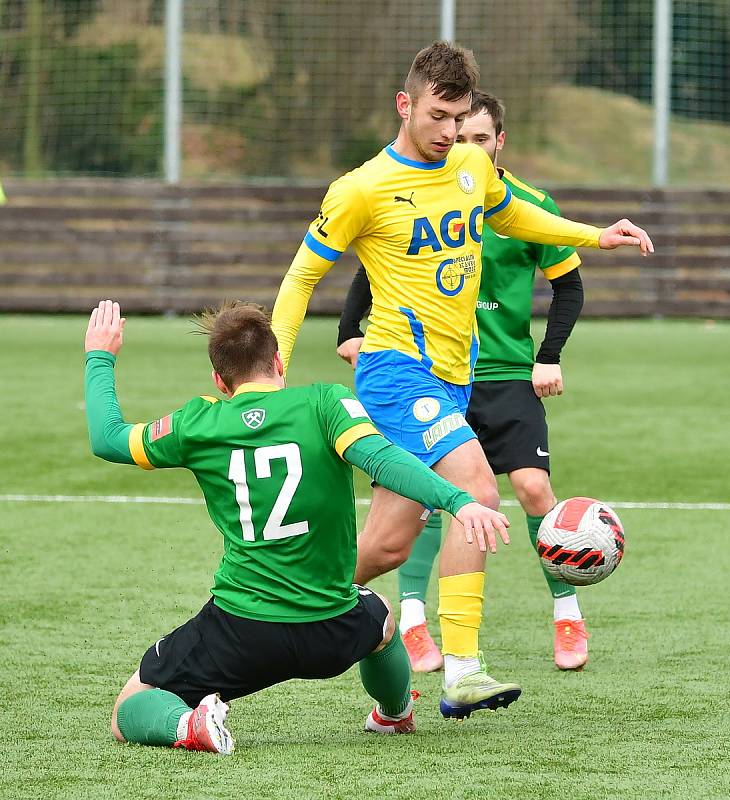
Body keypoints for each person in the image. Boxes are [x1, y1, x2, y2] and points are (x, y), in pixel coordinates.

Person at [271, 41, 653, 719]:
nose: (450, 132)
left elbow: (513, 214)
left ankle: (271, 611)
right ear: (406, 104)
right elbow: (303, 278)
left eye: (460, 118)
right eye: (439, 116)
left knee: (386, 546)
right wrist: (271, 373)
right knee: (477, 490)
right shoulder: (361, 189)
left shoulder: (472, 163)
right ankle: (463, 671)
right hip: (395, 370)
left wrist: (596, 236)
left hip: (454, 380)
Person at [84, 299, 510, 753]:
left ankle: (189, 727)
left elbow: (108, 438)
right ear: (278, 361)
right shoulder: (328, 402)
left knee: (131, 706)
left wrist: (100, 354)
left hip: (241, 633)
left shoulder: (198, 423)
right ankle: (395, 713)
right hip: (334, 631)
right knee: (381, 618)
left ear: (219, 381)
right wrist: (458, 500)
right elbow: (384, 460)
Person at [337, 91, 590, 674]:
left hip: (503, 375)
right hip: (429, 375)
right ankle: (417, 628)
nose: (461, 144)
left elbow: (569, 286)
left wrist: (548, 355)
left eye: (477, 137)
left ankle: (565, 611)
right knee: (434, 505)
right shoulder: (421, 190)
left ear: (499, 141)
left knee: (529, 490)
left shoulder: (524, 205)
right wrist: (350, 332)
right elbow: (372, 268)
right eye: (455, 131)